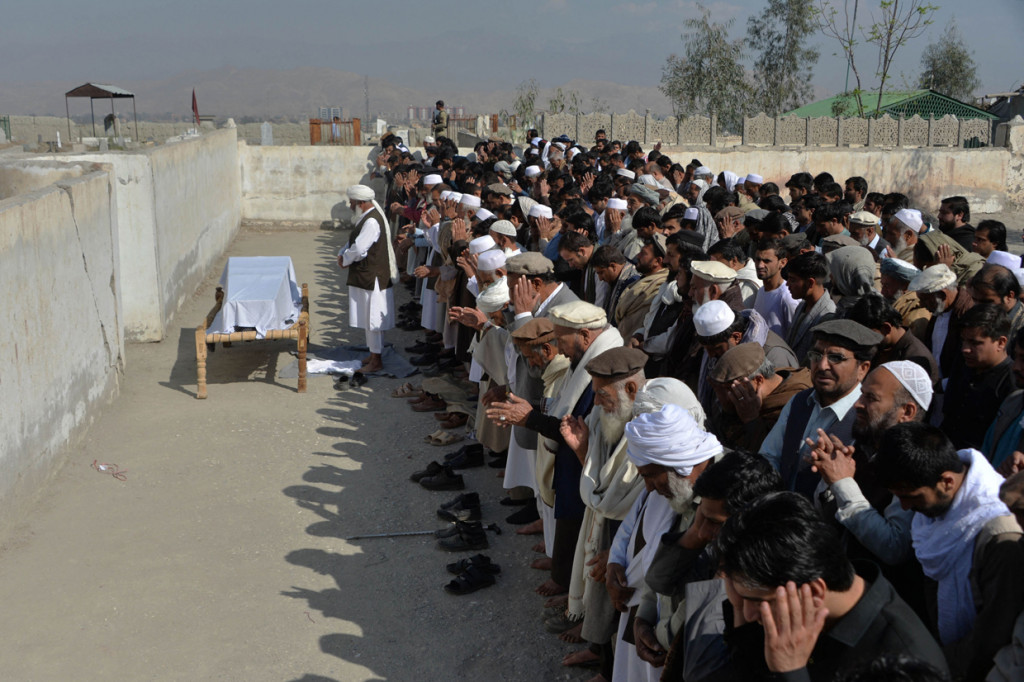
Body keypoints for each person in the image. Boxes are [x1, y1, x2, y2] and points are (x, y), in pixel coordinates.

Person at [704, 491, 946, 682]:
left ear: (815, 591)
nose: (748, 613)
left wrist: (792, 671)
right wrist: (738, 606)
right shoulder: (786, 600)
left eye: (758, 602)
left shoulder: (905, 662)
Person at [873, 423, 1024, 681]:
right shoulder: (932, 517)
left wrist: (940, 667)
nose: (906, 507)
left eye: (912, 496)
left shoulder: (1000, 534)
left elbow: (993, 634)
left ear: (946, 481)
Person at [650, 451, 785, 682]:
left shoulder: (764, 581)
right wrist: (693, 534)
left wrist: (724, 580)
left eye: (714, 523)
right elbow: (659, 581)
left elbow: (701, 669)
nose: (703, 532)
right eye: (702, 515)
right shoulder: (714, 546)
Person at [558, 347, 649, 676]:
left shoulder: (649, 426)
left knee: (624, 601)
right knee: (601, 586)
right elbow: (602, 487)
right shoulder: (606, 415)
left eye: (601, 394)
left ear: (631, 389)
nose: (594, 402)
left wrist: (618, 548)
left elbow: (639, 497)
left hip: (636, 531)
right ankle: (597, 651)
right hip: (605, 521)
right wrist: (583, 449)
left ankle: (609, 669)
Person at [622, 405, 724, 676]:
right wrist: (643, 615)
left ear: (678, 462)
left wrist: (663, 636)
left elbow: (708, 589)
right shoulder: (683, 487)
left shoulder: (726, 499)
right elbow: (667, 556)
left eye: (649, 476)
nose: (648, 488)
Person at [760, 319, 881, 498]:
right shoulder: (800, 401)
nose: (822, 365)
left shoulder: (867, 419)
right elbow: (769, 457)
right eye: (816, 355)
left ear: (862, 369)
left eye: (836, 358)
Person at [708, 343, 812, 452]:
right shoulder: (772, 378)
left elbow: (768, 452)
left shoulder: (795, 403)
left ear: (758, 380)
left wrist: (751, 419)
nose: (729, 396)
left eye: (732, 388)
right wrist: (728, 410)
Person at [337, 184, 398, 372]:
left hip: (372, 278)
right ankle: (373, 355)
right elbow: (353, 242)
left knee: (373, 320)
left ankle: (376, 360)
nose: (349, 206)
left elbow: (359, 249)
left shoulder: (371, 222)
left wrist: (345, 259)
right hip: (367, 276)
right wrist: (342, 253)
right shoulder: (365, 218)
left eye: (352, 202)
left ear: (361, 203)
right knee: (368, 317)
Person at [941, 303, 1014, 450]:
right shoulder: (964, 363)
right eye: (964, 341)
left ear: (1001, 342)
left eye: (975, 343)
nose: (965, 349)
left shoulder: (1012, 382)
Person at [784, 251, 837, 364]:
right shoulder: (802, 305)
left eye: (793, 280)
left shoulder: (827, 316)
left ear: (810, 283)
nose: (787, 284)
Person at [614, 236, 670, 342]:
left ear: (657, 261)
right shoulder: (642, 282)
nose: (638, 256)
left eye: (643, 254)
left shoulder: (658, 289)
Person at [752, 238, 799, 337]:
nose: (760, 265)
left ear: (782, 263)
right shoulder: (761, 291)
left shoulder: (788, 297)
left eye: (766, 261)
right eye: (758, 259)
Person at [879, 257, 930, 341]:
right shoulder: (897, 306)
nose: (882, 292)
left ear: (906, 286)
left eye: (887, 286)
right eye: (882, 285)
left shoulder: (916, 317)